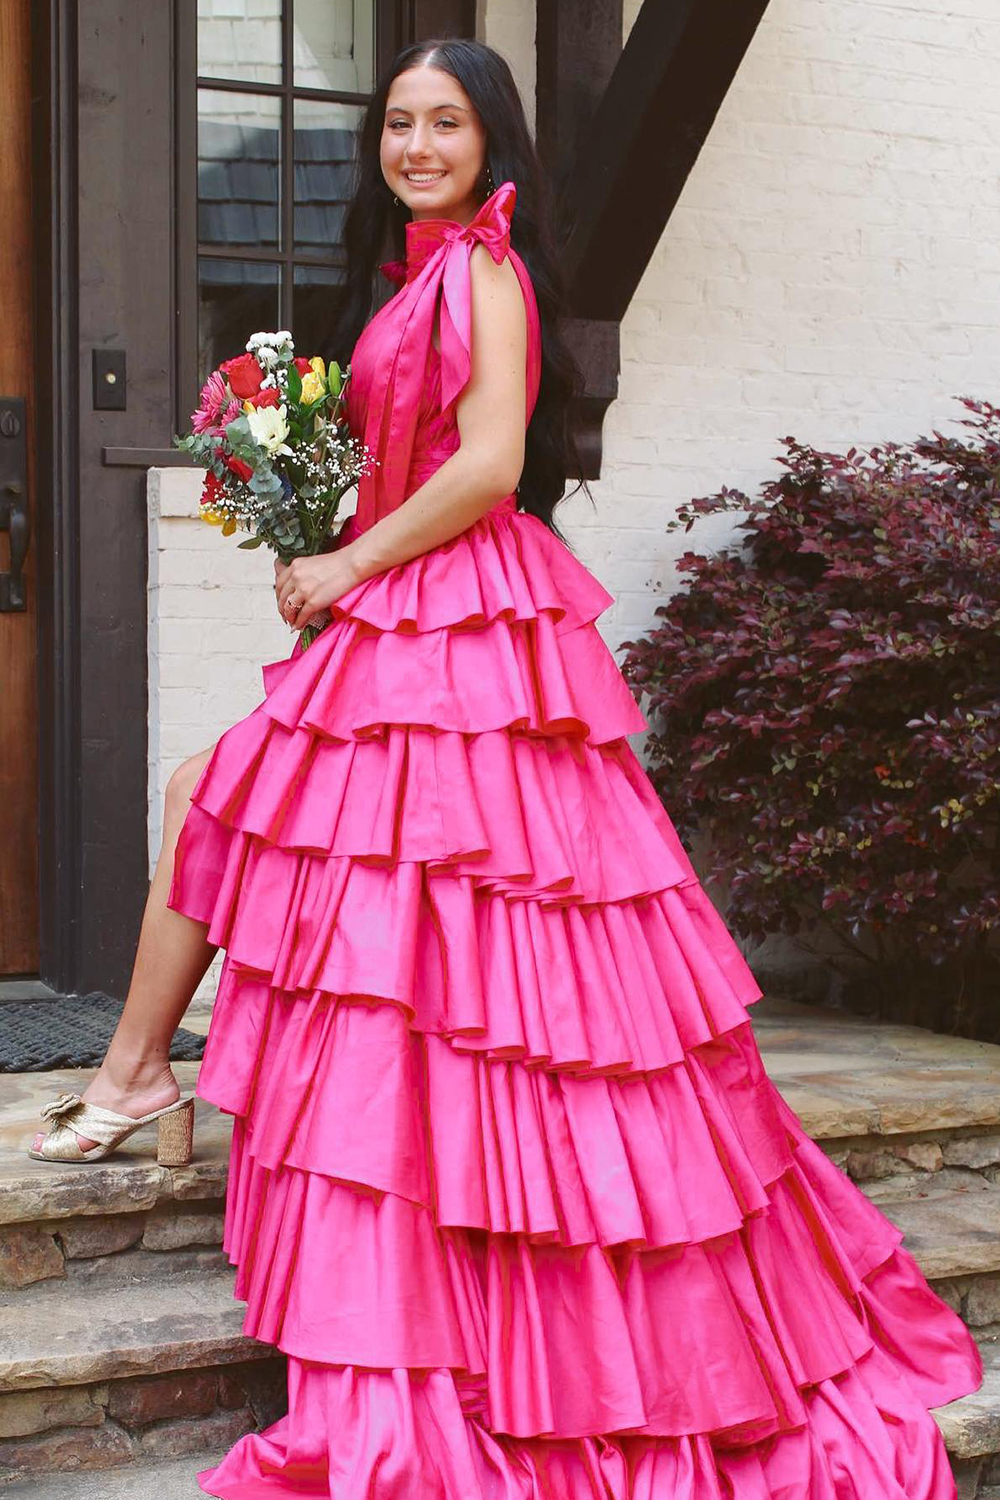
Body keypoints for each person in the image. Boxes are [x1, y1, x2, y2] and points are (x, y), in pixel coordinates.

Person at [29, 36, 983, 1499]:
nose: (416, 144)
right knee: (275, 818)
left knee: (326, 837)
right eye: (398, 122)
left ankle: (152, 1074)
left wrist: (348, 560)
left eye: (446, 122)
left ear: (493, 142)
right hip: (416, 601)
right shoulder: (411, 274)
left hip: (455, 605)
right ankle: (145, 1068)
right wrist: (300, 503)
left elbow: (485, 466)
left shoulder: (485, 269)